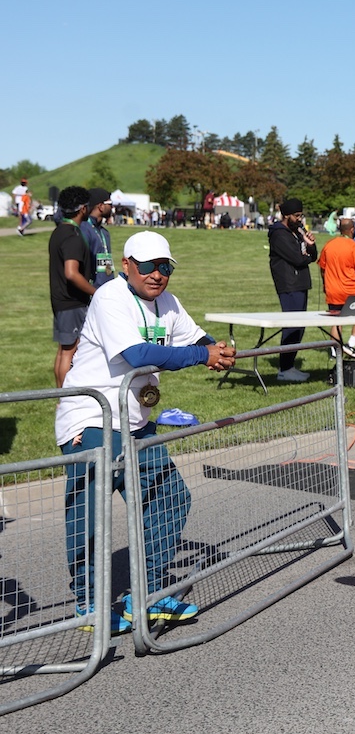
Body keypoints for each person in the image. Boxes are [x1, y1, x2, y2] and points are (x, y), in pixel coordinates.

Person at [56, 231, 236, 634]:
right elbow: (137, 354)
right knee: (91, 515)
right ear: (127, 266)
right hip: (92, 418)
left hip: (135, 422)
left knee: (170, 498)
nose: (158, 274)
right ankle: (89, 605)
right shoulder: (110, 297)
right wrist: (201, 355)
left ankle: (148, 594)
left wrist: (216, 350)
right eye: (149, 266)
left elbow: (195, 336)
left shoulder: (167, 302)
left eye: (165, 267)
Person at [48, 186, 98, 387]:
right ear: (83, 208)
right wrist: (96, 292)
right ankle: (66, 398)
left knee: (64, 350)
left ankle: (60, 396)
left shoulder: (58, 231)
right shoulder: (72, 236)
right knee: (71, 351)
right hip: (72, 302)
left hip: (61, 300)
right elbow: (71, 273)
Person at [268, 198, 318, 382]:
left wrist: (310, 245)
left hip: (301, 282)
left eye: (301, 215)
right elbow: (297, 259)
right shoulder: (279, 234)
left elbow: (312, 256)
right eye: (296, 216)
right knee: (292, 325)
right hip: (289, 284)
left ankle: (289, 365)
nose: (299, 219)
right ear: (286, 215)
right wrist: (305, 256)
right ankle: (284, 368)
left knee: (299, 326)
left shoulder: (297, 232)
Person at [317, 217, 355, 359]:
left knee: (336, 320)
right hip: (352, 290)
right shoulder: (354, 246)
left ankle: (334, 351)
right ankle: (351, 344)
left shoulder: (329, 244)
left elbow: (322, 268)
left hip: (333, 290)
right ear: (352, 230)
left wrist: (325, 284)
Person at [80, 188, 115, 288]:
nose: (112, 207)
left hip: (108, 288)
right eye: (110, 204)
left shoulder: (105, 232)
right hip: (92, 290)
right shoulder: (84, 229)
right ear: (101, 206)